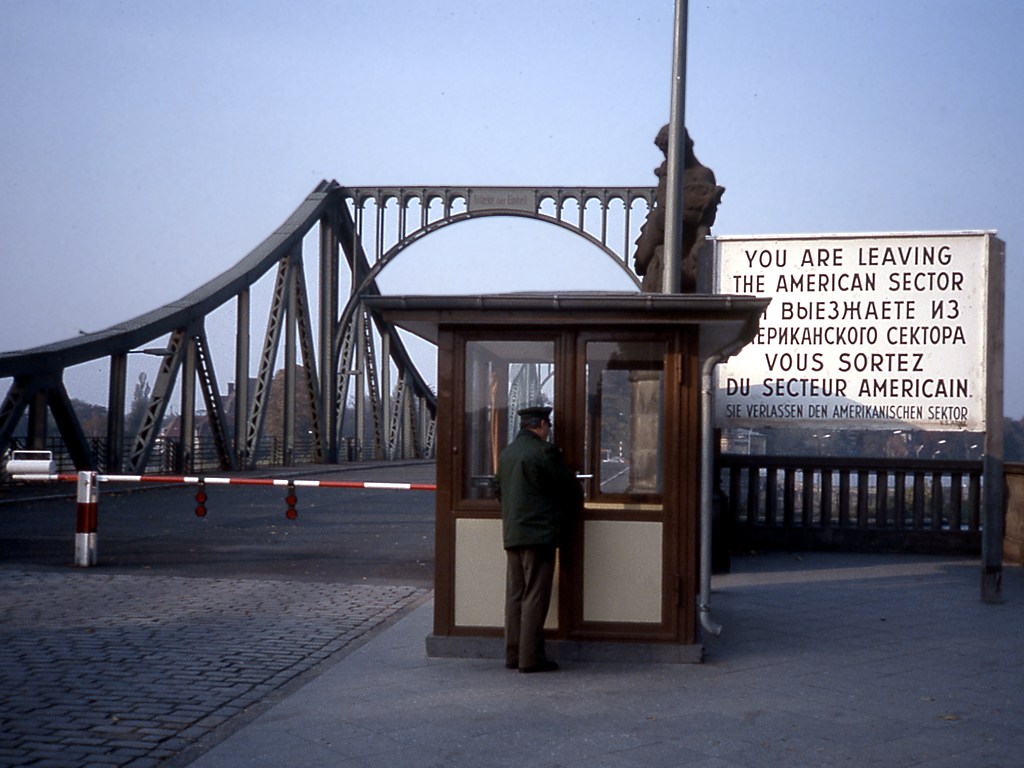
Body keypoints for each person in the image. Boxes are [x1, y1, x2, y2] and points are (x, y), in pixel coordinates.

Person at [493, 405, 582, 673]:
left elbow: (499, 490)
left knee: (516, 595)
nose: (549, 431)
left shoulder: (507, 453)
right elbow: (570, 488)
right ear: (541, 424)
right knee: (535, 596)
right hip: (540, 535)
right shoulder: (544, 452)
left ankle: (513, 654)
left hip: (513, 534)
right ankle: (530, 658)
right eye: (548, 426)